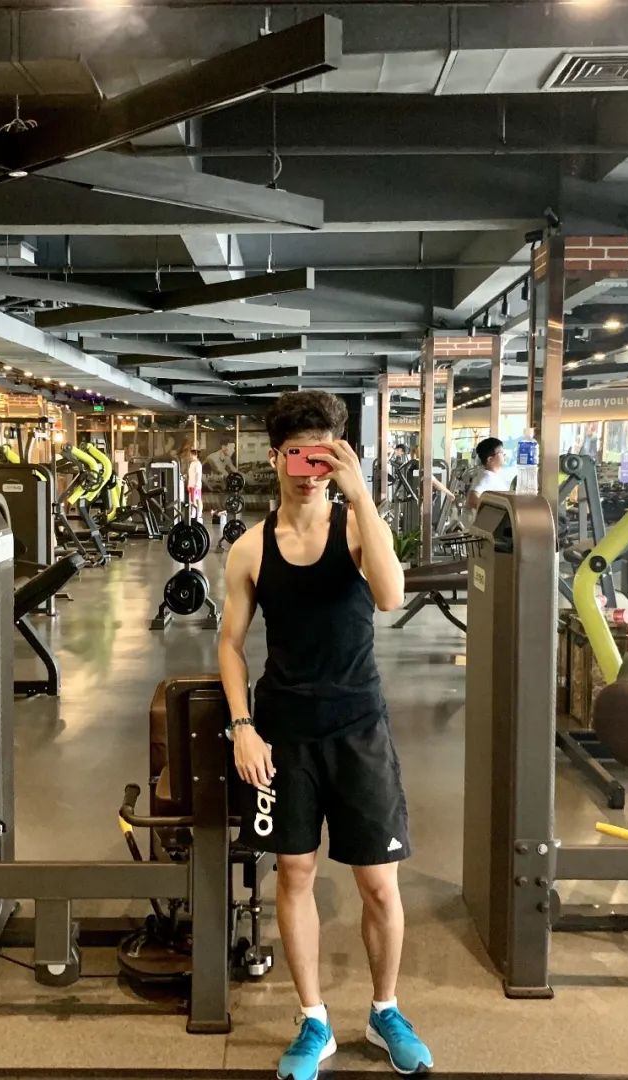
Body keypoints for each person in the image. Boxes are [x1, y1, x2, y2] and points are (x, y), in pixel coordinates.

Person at [218, 391, 433, 1080]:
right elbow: (230, 645)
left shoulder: (358, 529)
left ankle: (384, 1010)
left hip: (359, 725)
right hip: (284, 731)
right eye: (298, 456)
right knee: (295, 872)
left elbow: (391, 595)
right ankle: (314, 1019)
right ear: (275, 458)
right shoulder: (251, 548)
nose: (310, 471)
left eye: (323, 456)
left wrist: (360, 495)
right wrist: (243, 727)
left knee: (379, 884)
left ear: (340, 455)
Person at [465, 436, 509, 511]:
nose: (504, 455)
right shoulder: (486, 476)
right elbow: (472, 500)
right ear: (490, 459)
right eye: (501, 452)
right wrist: (495, 512)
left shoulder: (492, 475)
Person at [186, 447, 203, 522]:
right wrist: (188, 484)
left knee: (197, 499)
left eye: (191, 455)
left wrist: (196, 485)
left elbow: (198, 475)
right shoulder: (192, 463)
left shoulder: (198, 464)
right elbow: (190, 475)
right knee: (192, 500)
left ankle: (198, 514)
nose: (190, 456)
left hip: (196, 485)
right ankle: (193, 513)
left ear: (195, 455)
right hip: (191, 484)